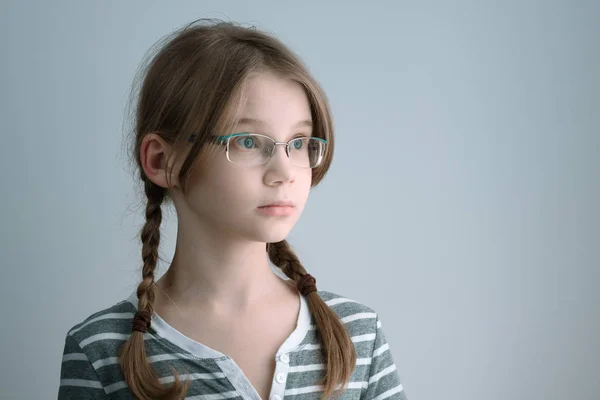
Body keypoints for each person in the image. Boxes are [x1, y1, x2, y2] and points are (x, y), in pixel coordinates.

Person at [58, 19, 408, 400]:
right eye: (248, 141)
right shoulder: (101, 352)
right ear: (161, 161)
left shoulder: (358, 335)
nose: (284, 173)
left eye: (298, 142)